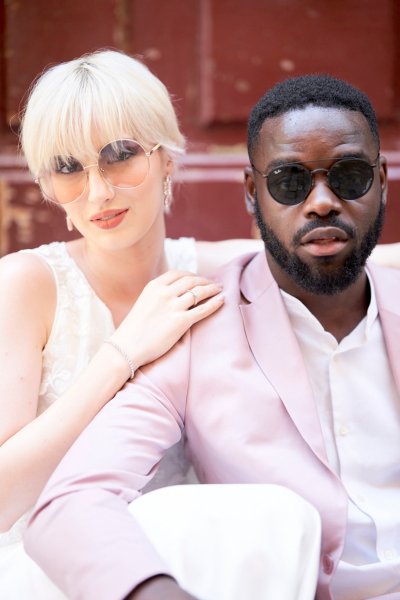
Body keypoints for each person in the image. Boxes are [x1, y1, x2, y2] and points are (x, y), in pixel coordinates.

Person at [24, 72, 400, 600]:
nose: (320, 203)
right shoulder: (195, 326)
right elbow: (72, 500)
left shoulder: (200, 267)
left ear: (382, 181)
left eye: (351, 176)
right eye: (289, 181)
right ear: (252, 193)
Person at [0, 49, 267, 598]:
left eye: (120, 155)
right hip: (47, 569)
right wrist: (122, 354)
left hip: (188, 559)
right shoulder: (27, 285)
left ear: (167, 157)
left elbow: (354, 258)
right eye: (69, 168)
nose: (97, 193)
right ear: (49, 186)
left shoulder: (209, 270)